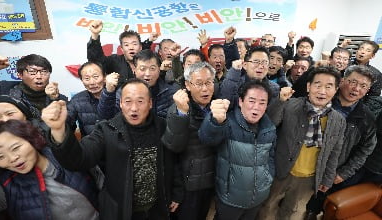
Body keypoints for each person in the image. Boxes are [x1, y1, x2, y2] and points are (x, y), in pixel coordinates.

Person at [42, 78, 182, 220]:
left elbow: (173, 161)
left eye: (140, 101)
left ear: (150, 103)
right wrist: (59, 130)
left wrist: (176, 193)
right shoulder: (106, 130)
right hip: (121, 210)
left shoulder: (163, 126)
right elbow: (80, 158)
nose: (134, 108)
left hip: (156, 209)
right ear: (120, 103)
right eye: (128, 101)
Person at [257, 67, 346, 220]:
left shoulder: (338, 120)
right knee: (267, 207)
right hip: (281, 170)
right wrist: (280, 101)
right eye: (317, 85)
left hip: (309, 178)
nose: (322, 91)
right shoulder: (291, 105)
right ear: (308, 87)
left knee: (293, 212)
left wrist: (327, 178)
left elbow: (335, 151)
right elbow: (269, 124)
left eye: (328, 86)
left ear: (336, 89)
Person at [0, 120, 99, 220]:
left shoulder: (66, 155)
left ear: (31, 140)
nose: (12, 158)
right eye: (0, 157)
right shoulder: (7, 186)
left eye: (16, 148)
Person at [304, 65, 377, 219]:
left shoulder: (366, 119)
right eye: (353, 82)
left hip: (333, 172)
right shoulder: (321, 100)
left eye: (363, 86)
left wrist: (344, 173)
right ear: (342, 81)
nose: (356, 89)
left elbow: (366, 149)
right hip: (305, 166)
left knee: (314, 207)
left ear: (368, 90)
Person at [198, 80, 277, 220]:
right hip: (229, 200)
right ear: (240, 101)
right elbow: (207, 138)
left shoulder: (269, 128)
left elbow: (270, 157)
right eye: (251, 101)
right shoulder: (227, 122)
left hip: (257, 198)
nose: (256, 107)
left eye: (262, 102)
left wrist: (267, 178)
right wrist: (215, 121)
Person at [162, 62, 216, 220]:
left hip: (209, 183)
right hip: (188, 188)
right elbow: (173, 149)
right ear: (187, 85)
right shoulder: (178, 109)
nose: (205, 89)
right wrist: (182, 114)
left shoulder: (216, 107)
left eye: (208, 82)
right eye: (199, 83)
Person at [97, 49, 179, 120]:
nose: (147, 73)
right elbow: (105, 118)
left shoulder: (171, 92)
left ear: (159, 70)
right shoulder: (123, 91)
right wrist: (108, 92)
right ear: (135, 71)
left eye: (152, 68)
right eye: (142, 69)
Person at [0, 54, 68, 118]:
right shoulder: (4, 90)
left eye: (44, 71)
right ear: (20, 75)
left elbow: (68, 128)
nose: (39, 76)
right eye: (32, 72)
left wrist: (54, 100)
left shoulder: (60, 99)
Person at [87, 20, 155, 85]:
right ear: (122, 49)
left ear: (140, 47)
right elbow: (96, 61)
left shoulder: (148, 62)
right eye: (126, 45)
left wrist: (149, 40)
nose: (131, 47)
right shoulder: (114, 61)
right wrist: (95, 35)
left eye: (134, 44)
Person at [66, 61, 106, 136]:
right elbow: (67, 126)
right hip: (90, 145)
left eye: (96, 77)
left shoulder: (117, 96)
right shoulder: (77, 100)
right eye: (87, 78)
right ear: (82, 80)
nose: (92, 82)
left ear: (104, 77)